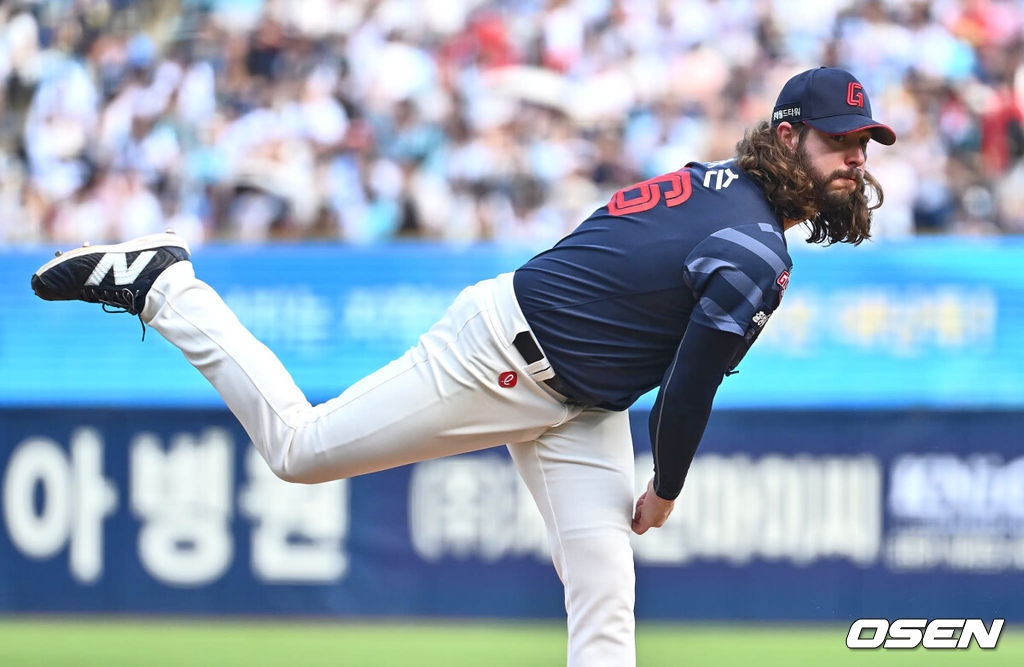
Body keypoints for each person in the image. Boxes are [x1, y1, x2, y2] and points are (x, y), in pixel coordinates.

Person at [31, 67, 894, 667]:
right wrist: (665, 485)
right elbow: (691, 384)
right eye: (840, 141)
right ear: (788, 136)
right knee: (299, 449)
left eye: (864, 144)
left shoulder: (719, 188)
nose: (857, 160)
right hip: (500, 357)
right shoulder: (752, 246)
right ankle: (167, 287)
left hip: (580, 402)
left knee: (604, 586)